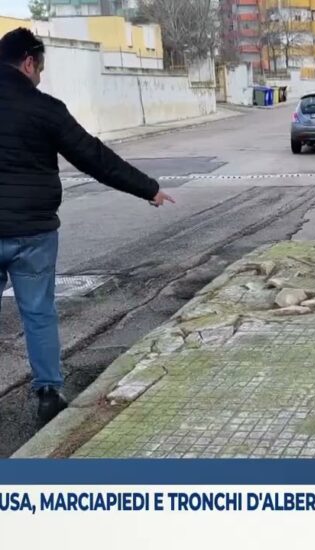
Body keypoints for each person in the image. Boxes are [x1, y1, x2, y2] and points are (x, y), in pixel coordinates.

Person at [0, 28, 174, 423]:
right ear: (28, 62)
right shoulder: (45, 108)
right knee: (39, 313)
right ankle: (48, 393)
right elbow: (92, 156)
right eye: (40, 69)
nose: (40, 76)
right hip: (34, 234)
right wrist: (147, 188)